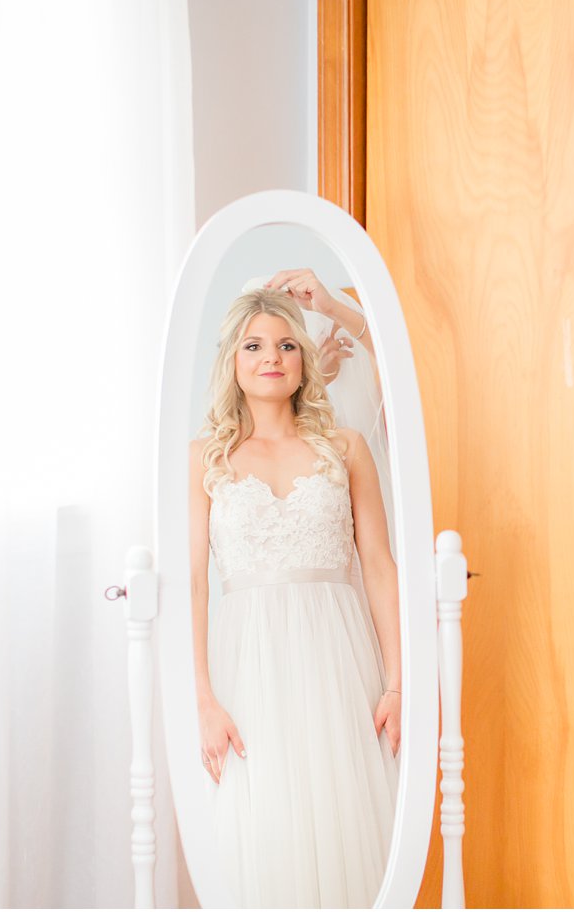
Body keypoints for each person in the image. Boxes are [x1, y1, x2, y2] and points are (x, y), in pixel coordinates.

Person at [189, 288, 402, 907]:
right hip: (247, 666)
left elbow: (381, 568)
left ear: (305, 358)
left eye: (286, 344)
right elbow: (195, 582)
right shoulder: (207, 459)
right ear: (232, 359)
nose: (271, 357)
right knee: (263, 822)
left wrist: (396, 683)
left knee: (340, 813)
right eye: (253, 345)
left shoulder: (346, 447)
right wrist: (202, 697)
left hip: (338, 659)